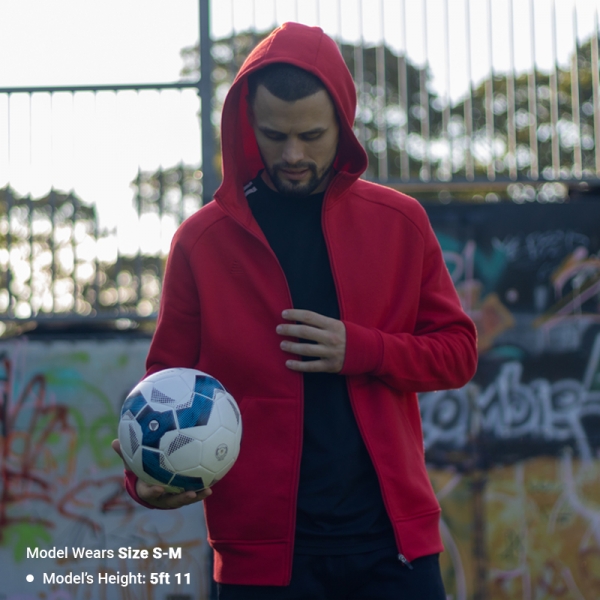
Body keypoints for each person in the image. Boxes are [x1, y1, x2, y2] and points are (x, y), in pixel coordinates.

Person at [113, 22, 478, 600]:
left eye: (312, 135)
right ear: (247, 124)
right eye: (273, 135)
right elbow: (165, 383)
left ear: (343, 124)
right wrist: (144, 477)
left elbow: (457, 354)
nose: (292, 155)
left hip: (394, 550)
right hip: (260, 559)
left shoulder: (400, 223)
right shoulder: (201, 242)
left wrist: (361, 348)